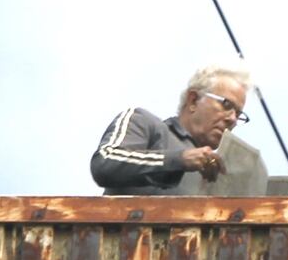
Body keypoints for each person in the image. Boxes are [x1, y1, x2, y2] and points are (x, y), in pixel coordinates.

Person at [90, 63, 252, 195]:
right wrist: (179, 160)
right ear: (194, 100)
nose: (232, 119)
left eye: (238, 114)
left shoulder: (217, 172)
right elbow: (105, 162)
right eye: (226, 105)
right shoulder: (144, 122)